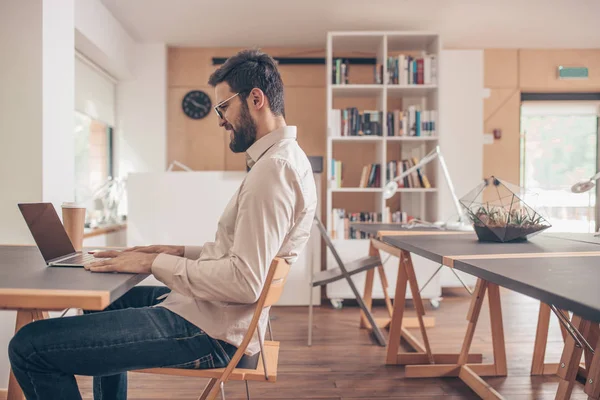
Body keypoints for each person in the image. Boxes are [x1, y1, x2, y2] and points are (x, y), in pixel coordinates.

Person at [9, 49, 317, 400]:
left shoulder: (274, 171)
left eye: (223, 107)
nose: (220, 120)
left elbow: (244, 282)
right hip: (215, 316)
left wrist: (153, 264)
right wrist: (170, 251)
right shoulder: (281, 162)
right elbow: (240, 256)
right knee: (106, 302)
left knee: (29, 346)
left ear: (256, 99)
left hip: (214, 333)